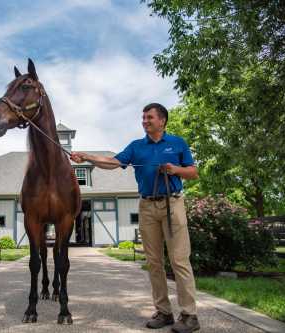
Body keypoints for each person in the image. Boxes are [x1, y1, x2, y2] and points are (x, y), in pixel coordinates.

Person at [70, 103, 200, 333]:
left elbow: (193, 172)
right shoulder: (136, 146)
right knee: (154, 262)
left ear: (162, 121)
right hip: (147, 205)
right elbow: (113, 163)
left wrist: (175, 170)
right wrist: (87, 157)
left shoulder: (177, 143)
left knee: (179, 260)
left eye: (149, 117)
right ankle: (164, 312)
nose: (145, 121)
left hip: (172, 204)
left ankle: (190, 315)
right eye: (143, 118)